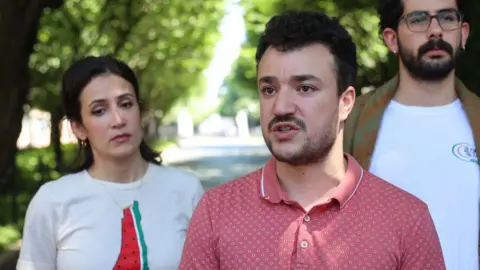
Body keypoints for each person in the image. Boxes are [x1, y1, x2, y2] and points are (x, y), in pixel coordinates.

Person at [179, 10, 445, 269]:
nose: (281, 106)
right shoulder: (216, 212)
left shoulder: (407, 219)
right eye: (269, 89)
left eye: (305, 88)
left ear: (346, 103)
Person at [16, 56, 204, 270]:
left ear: (139, 111)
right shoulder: (52, 201)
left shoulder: (186, 189)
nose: (118, 120)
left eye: (126, 104)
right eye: (99, 111)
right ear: (78, 128)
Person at [344, 0, 479, 269]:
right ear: (391, 40)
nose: (436, 31)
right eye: (418, 19)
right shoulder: (350, 123)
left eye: (447, 18)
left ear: (462, 34)